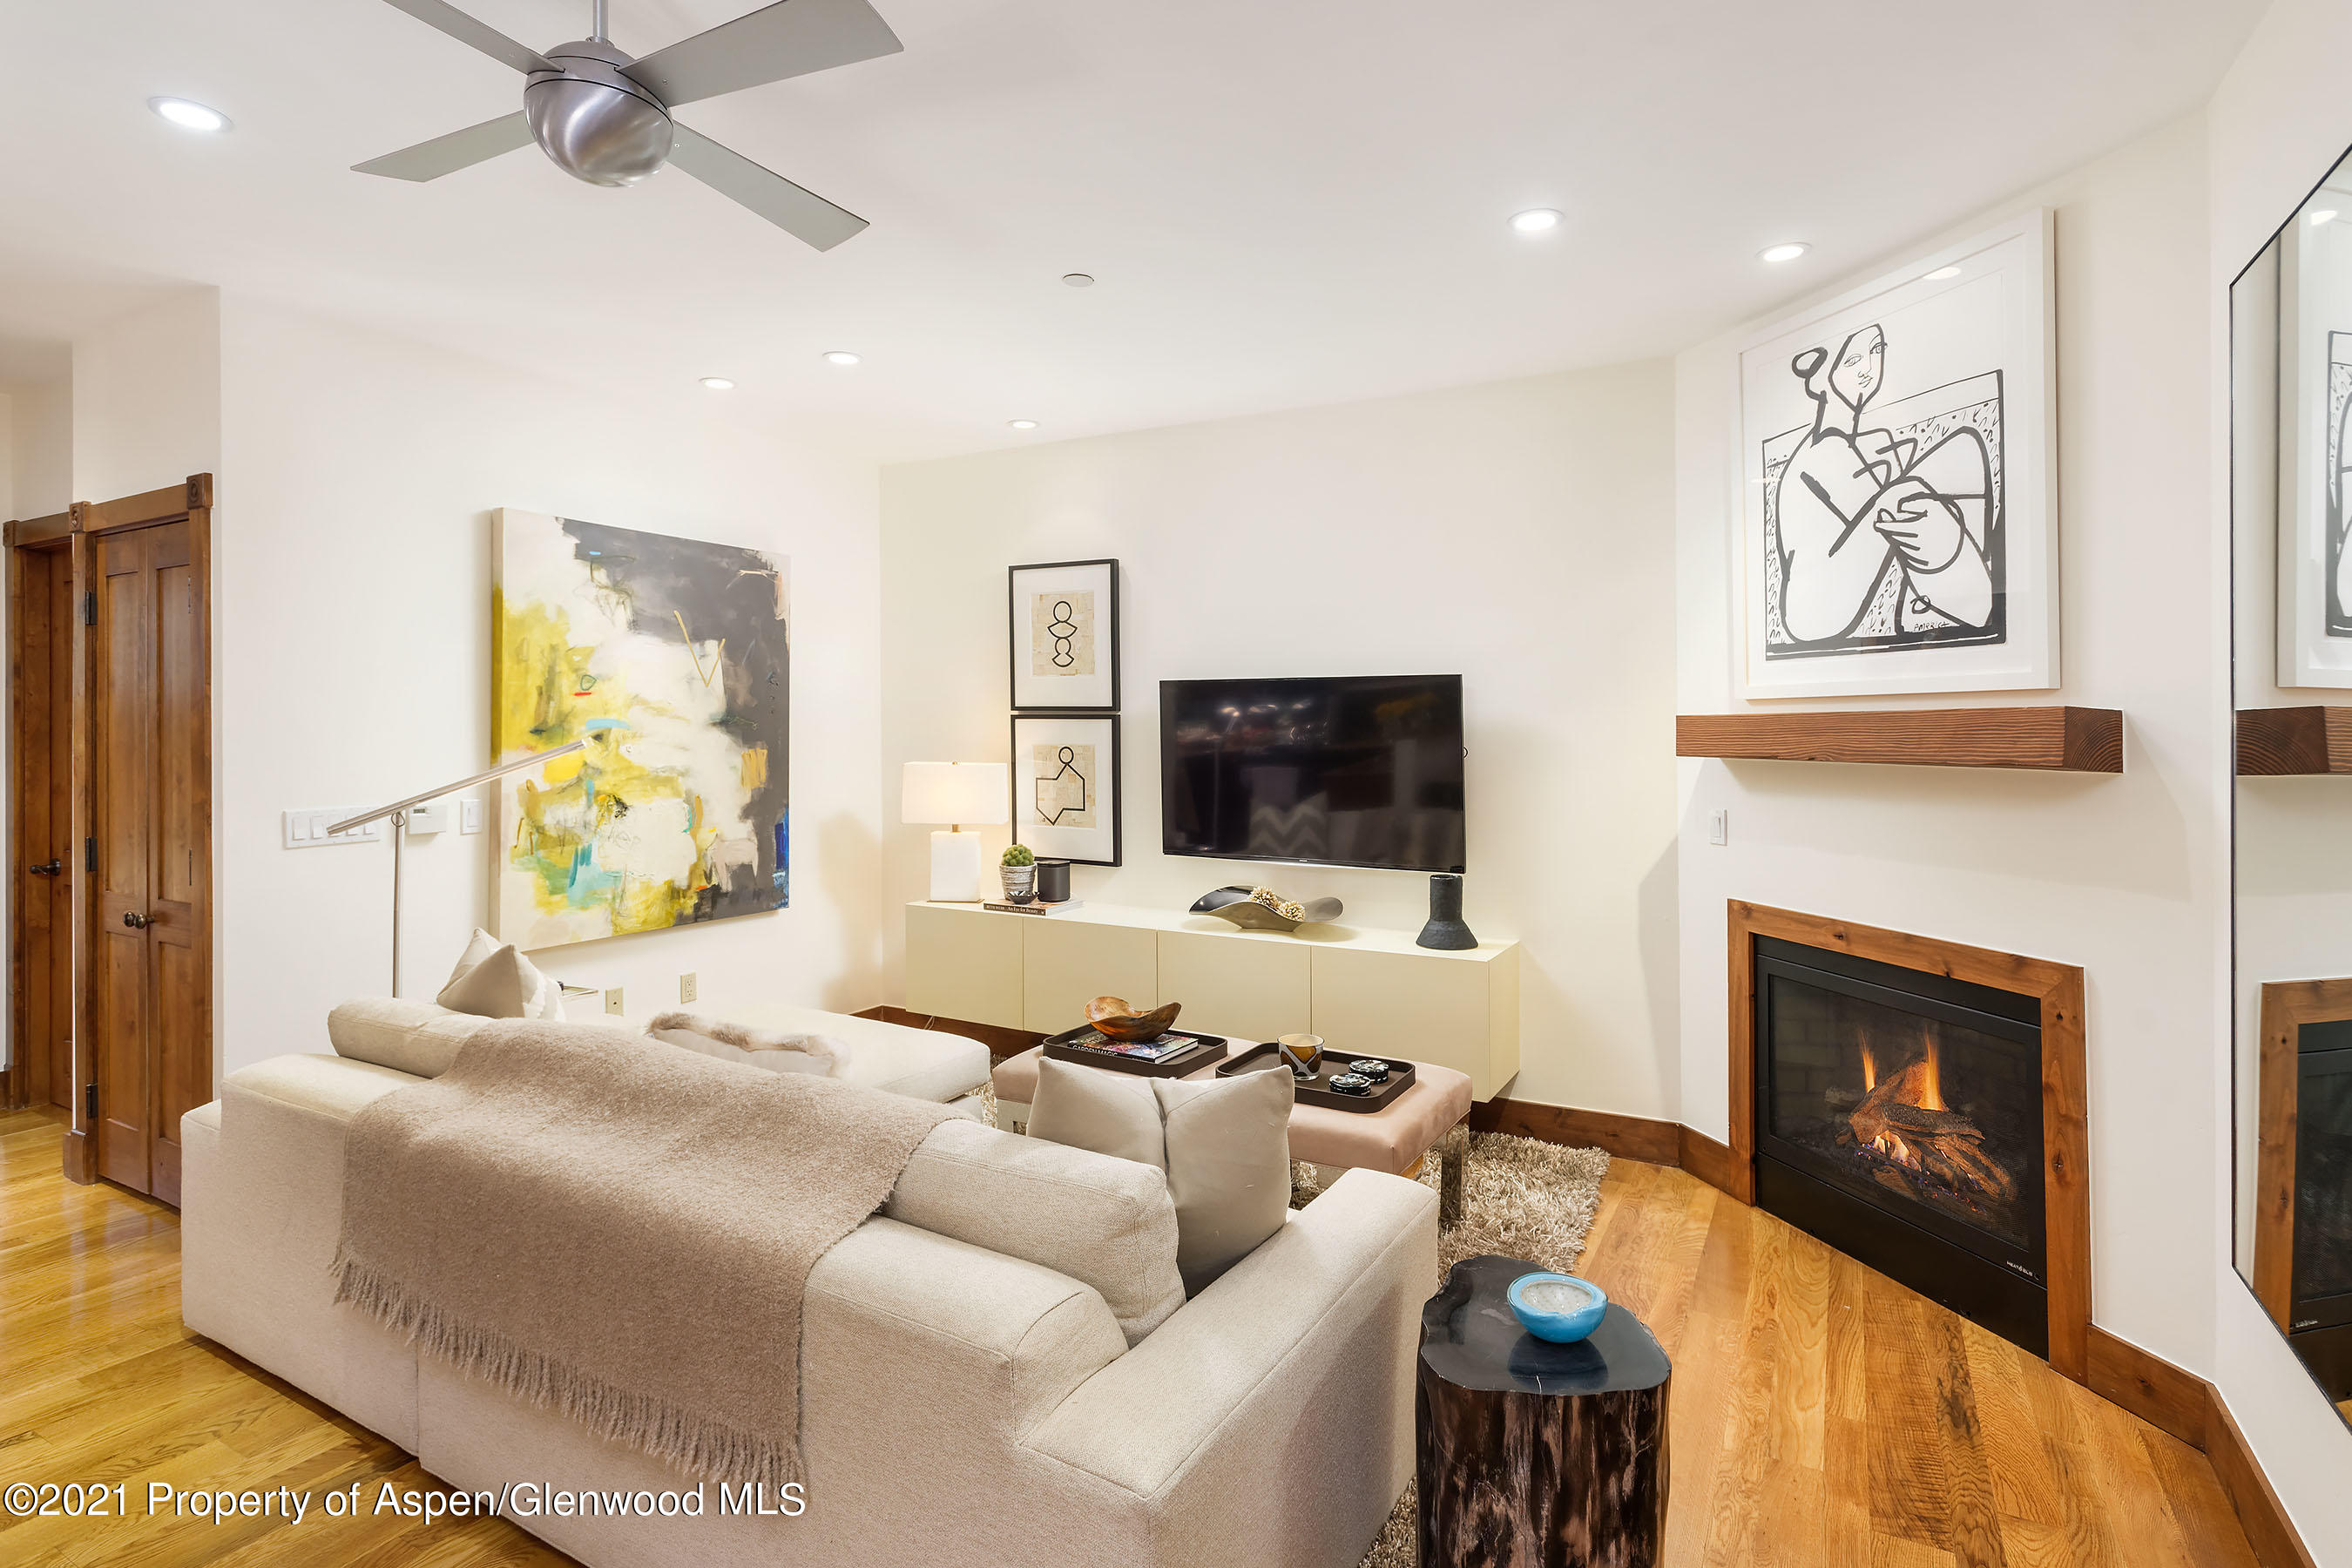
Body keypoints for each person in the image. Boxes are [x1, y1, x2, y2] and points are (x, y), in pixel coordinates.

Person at [1774, 323, 1994, 645]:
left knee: (1964, 446)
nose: (1869, 369)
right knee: (1904, 493)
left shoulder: (1873, 444)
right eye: (1852, 361)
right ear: (1822, 379)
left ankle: (1947, 596)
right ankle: (1952, 592)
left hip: (1847, 581)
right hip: (1816, 610)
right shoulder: (1816, 458)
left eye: (1877, 351)